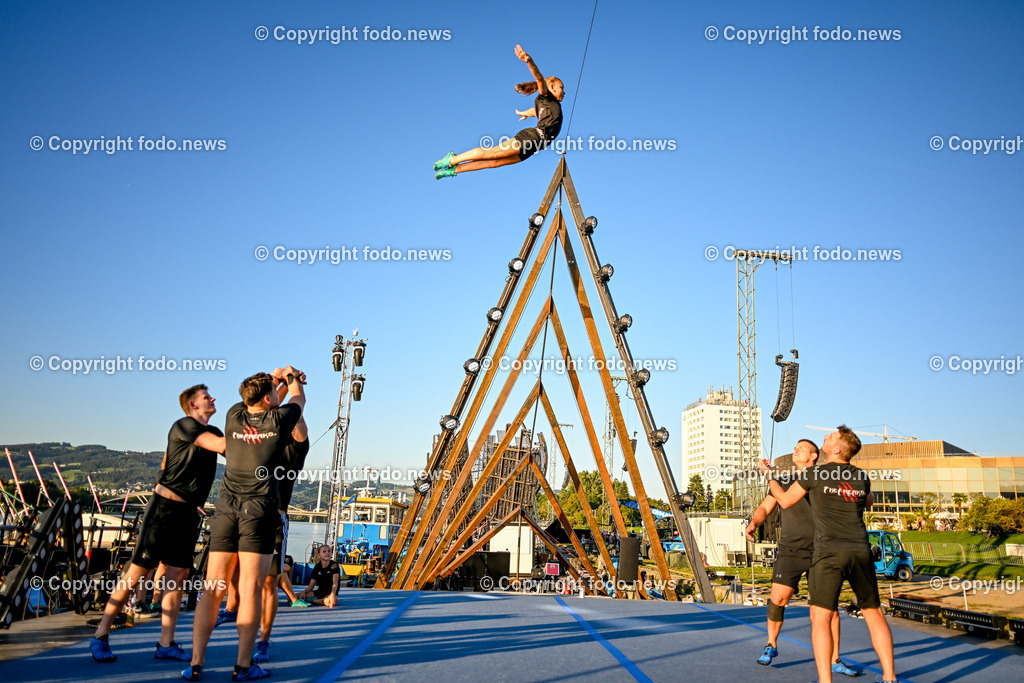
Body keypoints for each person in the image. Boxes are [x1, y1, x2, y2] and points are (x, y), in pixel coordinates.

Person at [90, 384, 225, 663]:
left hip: (188, 513)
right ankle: (101, 634)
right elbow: (222, 447)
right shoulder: (184, 425)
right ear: (192, 405)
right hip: (163, 509)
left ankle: (166, 643)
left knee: (177, 577)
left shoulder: (216, 432)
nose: (212, 399)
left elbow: (233, 452)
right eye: (206, 397)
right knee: (138, 570)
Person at [186, 367, 305, 682]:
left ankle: (196, 663)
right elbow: (297, 397)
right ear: (269, 399)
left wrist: (277, 377)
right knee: (251, 588)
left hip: (225, 510)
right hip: (259, 511)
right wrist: (292, 379)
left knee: (213, 589)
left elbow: (263, 395)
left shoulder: (233, 414)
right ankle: (242, 666)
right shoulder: (279, 421)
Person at [760, 425, 898, 683]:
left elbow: (785, 500)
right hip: (860, 550)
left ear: (836, 449)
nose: (826, 435)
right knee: (873, 612)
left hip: (828, 553)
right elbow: (868, 502)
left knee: (821, 618)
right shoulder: (861, 476)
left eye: (831, 436)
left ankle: (825, 680)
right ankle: (890, 677)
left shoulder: (815, 474)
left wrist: (769, 476)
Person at [745, 439, 858, 677]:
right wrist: (753, 522)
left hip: (823, 550)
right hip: (791, 549)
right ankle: (771, 645)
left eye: (802, 448)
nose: (796, 449)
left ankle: (835, 659)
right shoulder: (783, 481)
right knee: (779, 596)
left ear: (814, 456)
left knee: (829, 608)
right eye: (795, 447)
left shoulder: (825, 478)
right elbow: (765, 507)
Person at [433, 44, 564, 179]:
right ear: (552, 87)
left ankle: (455, 170)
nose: (564, 92)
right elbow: (539, 78)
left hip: (536, 146)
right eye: (561, 87)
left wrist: (524, 113)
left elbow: (536, 112)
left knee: (496, 162)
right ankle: (452, 159)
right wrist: (529, 61)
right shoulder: (546, 97)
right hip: (533, 137)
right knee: (493, 153)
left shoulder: (550, 107)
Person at [252, 384, 311, 663]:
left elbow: (300, 428)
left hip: (276, 513)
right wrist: (279, 386)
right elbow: (261, 405)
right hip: (248, 511)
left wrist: (292, 390)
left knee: (269, 581)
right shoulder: (261, 437)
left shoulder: (294, 446)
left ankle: (263, 639)